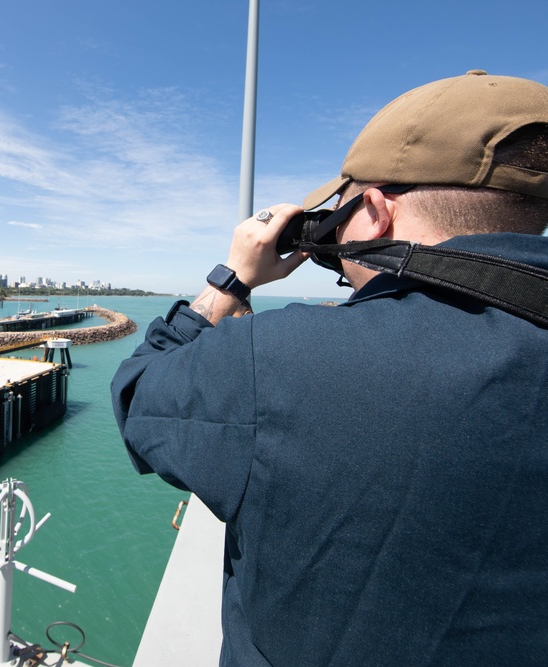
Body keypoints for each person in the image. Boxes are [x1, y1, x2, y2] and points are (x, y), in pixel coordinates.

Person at [111, 71, 548, 665]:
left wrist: (232, 279)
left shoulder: (281, 359)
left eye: (338, 212)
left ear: (374, 210)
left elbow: (137, 395)